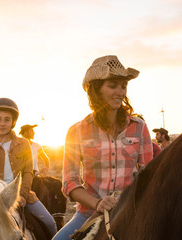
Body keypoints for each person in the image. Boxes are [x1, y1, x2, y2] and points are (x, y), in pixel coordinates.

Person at [52, 55, 153, 240]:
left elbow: (149, 175)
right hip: (87, 213)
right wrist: (98, 203)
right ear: (96, 89)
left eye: (123, 86)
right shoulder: (77, 131)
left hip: (131, 211)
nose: (120, 92)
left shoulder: (139, 127)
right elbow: (70, 182)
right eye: (112, 85)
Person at [0, 98, 57, 238]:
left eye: (7, 119)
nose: (2, 123)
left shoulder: (23, 144)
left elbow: (28, 171)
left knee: (49, 223)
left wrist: (21, 195)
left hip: (22, 196)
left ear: (13, 122)